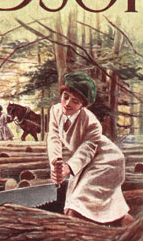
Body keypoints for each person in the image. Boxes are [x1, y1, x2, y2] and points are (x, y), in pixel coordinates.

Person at [47, 72, 131, 226]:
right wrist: (56, 162)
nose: (67, 104)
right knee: (75, 203)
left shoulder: (92, 123)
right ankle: (125, 225)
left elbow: (86, 150)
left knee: (79, 203)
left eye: (75, 101)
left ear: (82, 105)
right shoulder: (55, 111)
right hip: (85, 161)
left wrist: (68, 167)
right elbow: (53, 137)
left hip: (107, 160)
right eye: (65, 97)